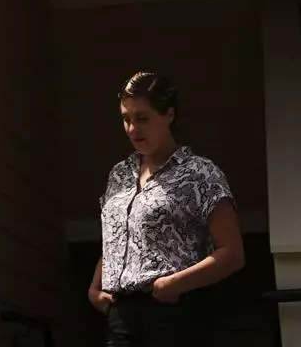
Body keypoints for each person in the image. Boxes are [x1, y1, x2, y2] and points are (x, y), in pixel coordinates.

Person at [88, 71, 245, 346]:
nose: (132, 129)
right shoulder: (119, 174)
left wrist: (174, 285)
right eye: (126, 119)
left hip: (175, 313)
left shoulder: (199, 173)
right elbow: (118, 237)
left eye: (142, 118)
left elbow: (232, 254)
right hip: (121, 318)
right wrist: (94, 288)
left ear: (169, 115)